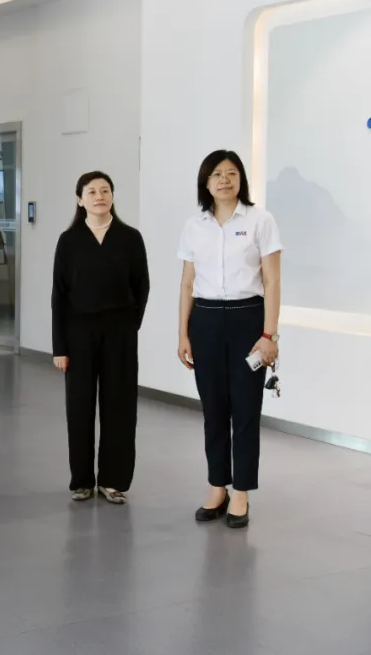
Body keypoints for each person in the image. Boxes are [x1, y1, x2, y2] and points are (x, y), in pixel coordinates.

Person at [177, 150, 281, 529]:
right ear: (206, 182)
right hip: (204, 321)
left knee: (246, 410)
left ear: (241, 180)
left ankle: (241, 492)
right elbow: (187, 284)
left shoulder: (260, 221)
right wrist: (183, 333)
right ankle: (217, 487)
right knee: (214, 410)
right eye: (217, 174)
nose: (224, 179)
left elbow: (272, 281)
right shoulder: (195, 225)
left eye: (231, 173)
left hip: (247, 320)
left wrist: (269, 334)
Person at [51, 172, 149, 505]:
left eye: (105, 190)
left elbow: (142, 285)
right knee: (79, 408)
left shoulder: (130, 238)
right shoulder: (69, 240)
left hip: (120, 333)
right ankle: (81, 480)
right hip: (78, 334)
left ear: (112, 196)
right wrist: (60, 347)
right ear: (80, 200)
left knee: (119, 406)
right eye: (91, 191)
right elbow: (59, 296)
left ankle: (113, 480)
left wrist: (130, 326)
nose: (99, 196)